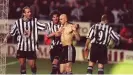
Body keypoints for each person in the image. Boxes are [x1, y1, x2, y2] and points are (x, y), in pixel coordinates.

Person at [3, 6, 47, 74]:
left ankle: (34, 73)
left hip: (31, 48)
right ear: (24, 13)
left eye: (30, 12)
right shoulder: (18, 22)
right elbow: (12, 32)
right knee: (22, 65)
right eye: (28, 12)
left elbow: (44, 26)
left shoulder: (34, 21)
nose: (30, 13)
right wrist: (6, 38)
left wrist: (53, 25)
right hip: (21, 47)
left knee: (32, 65)